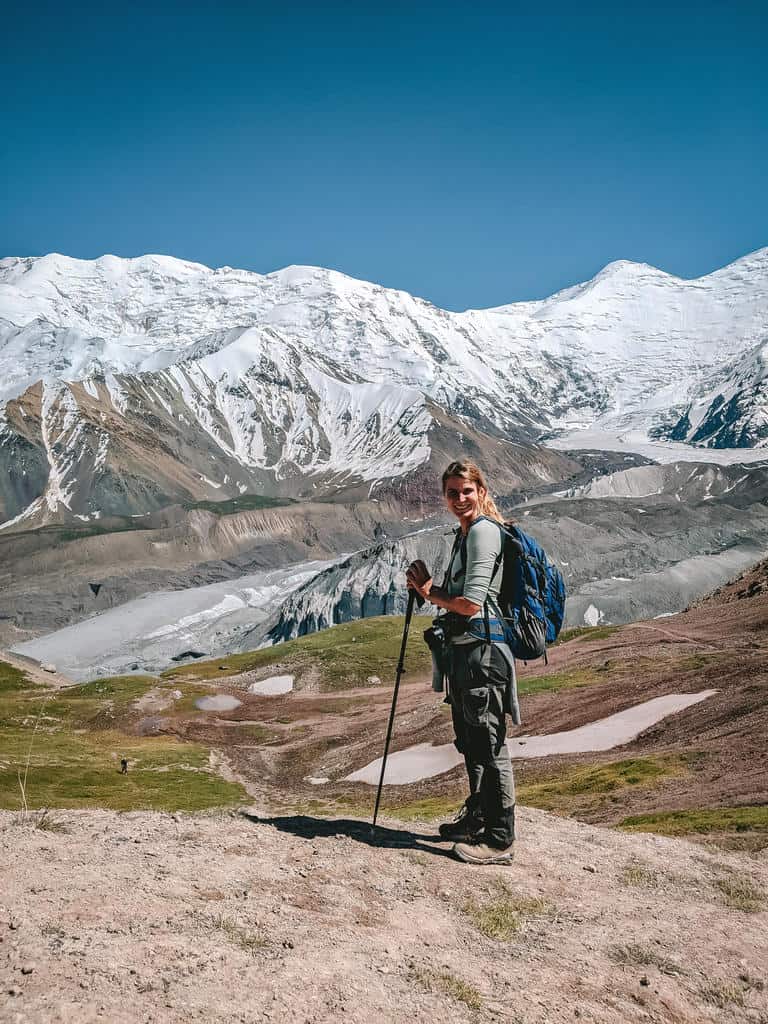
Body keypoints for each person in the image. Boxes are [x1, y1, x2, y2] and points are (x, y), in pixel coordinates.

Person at [406, 459, 519, 865]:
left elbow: (470, 603)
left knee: (489, 744)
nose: (458, 499)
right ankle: (480, 817)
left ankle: (499, 837)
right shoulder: (467, 534)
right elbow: (455, 595)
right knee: (472, 741)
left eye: (466, 491)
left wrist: (427, 590)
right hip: (468, 653)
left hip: (481, 653)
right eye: (452, 493)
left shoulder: (482, 534)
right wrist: (428, 589)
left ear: (481, 492)